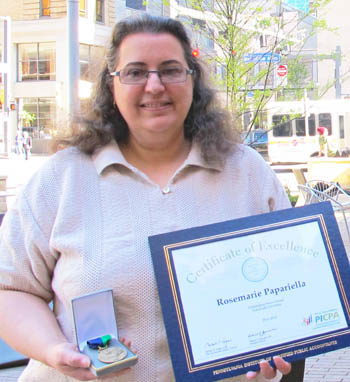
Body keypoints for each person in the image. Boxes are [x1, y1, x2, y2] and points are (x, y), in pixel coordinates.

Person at [0, 15, 293, 382]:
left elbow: (290, 280)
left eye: (170, 70)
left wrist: (282, 337)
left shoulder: (247, 172)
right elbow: (9, 288)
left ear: (193, 79)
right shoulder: (61, 178)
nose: (154, 86)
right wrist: (51, 349)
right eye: (135, 72)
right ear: (111, 85)